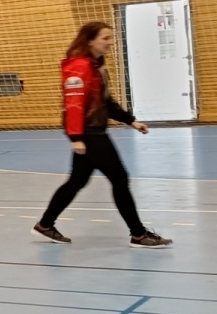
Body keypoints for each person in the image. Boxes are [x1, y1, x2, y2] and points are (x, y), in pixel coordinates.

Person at [33, 22, 171, 248]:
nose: (110, 42)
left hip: (93, 131)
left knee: (77, 181)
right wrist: (76, 138)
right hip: (90, 134)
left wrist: (131, 121)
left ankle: (45, 224)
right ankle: (138, 235)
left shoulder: (97, 68)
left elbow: (106, 103)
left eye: (110, 38)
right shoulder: (78, 67)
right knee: (120, 179)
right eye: (105, 38)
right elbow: (73, 105)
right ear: (90, 41)